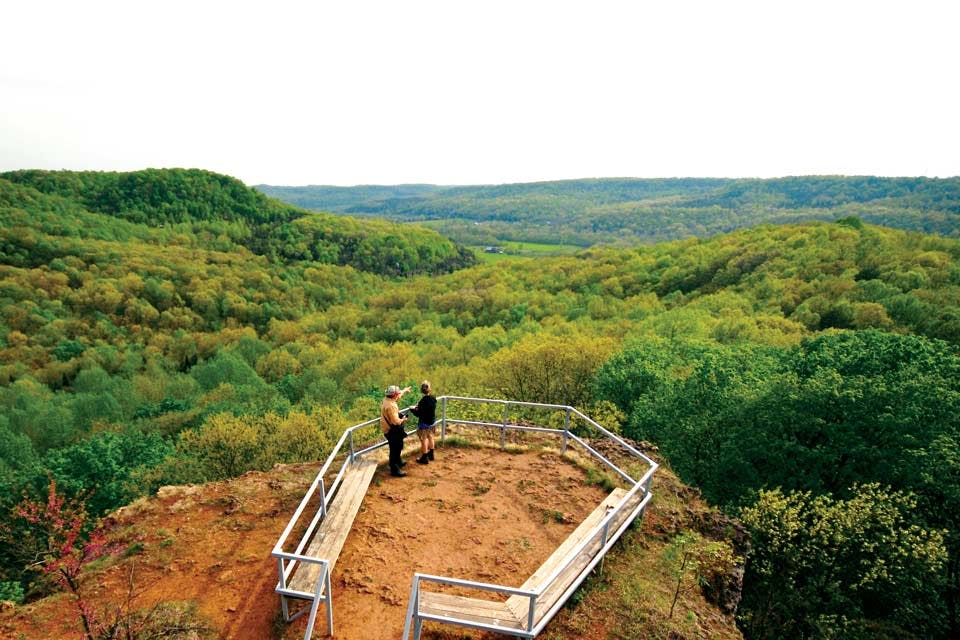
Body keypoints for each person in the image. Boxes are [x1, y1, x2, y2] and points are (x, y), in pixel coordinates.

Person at [381, 384, 412, 477]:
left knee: (398, 446)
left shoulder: (386, 400)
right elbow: (395, 422)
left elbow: (398, 394)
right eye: (397, 394)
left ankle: (398, 461)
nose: (399, 395)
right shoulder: (391, 406)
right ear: (394, 395)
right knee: (395, 449)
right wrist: (403, 419)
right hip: (392, 431)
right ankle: (394, 469)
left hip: (388, 428)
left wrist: (405, 390)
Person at [409, 380, 437, 464]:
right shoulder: (433, 398)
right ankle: (431, 454)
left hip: (424, 423)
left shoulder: (422, 401)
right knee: (431, 436)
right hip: (432, 422)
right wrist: (419, 406)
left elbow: (418, 414)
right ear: (430, 389)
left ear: (422, 390)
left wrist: (412, 409)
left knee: (423, 439)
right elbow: (428, 407)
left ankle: (424, 458)